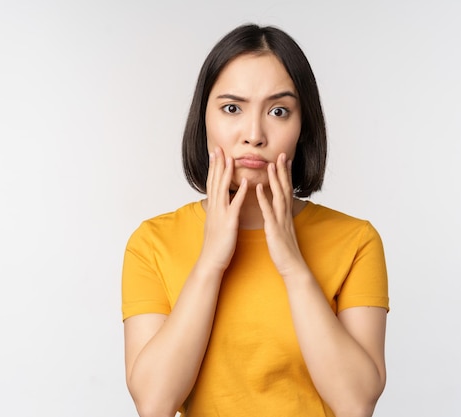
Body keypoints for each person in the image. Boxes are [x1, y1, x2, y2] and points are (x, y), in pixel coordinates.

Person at [121, 23, 389, 417]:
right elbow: (154, 404)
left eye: (279, 111)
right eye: (232, 108)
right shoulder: (152, 243)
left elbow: (356, 403)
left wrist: (292, 265)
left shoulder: (356, 241)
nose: (254, 134)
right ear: (204, 119)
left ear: (303, 126)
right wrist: (211, 261)